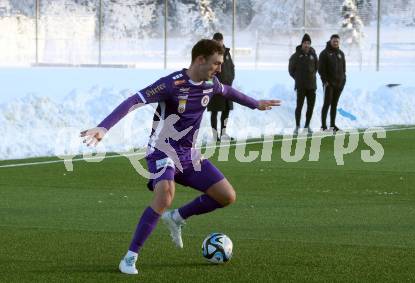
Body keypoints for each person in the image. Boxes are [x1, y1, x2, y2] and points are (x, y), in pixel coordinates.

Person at [80, 39, 280, 275]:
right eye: (216, 63)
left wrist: (256, 104)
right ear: (200, 59)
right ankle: (130, 258)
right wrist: (104, 127)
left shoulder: (211, 84)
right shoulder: (171, 84)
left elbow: (229, 92)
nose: (219, 68)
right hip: (161, 150)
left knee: (227, 196)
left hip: (189, 154)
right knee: (165, 195)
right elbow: (135, 100)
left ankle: (177, 217)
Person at [288, 33, 318, 134]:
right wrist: (298, 78)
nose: (307, 45)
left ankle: (307, 126)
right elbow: (291, 70)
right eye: (305, 43)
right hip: (301, 86)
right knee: (299, 106)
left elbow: (316, 68)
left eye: (308, 43)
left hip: (312, 86)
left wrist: (312, 77)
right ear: (302, 44)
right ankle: (297, 126)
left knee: (310, 106)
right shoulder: (296, 55)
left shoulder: (313, 55)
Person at [207, 32, 235, 141]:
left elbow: (231, 67)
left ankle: (223, 133)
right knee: (214, 111)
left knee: (226, 110)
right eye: (217, 41)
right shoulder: (210, 53)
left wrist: (231, 79)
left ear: (223, 41)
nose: (219, 43)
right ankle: (215, 136)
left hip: (227, 87)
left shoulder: (226, 52)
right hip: (215, 87)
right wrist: (210, 85)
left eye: (220, 41)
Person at [318, 34, 346, 133]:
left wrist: (343, 80)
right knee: (327, 104)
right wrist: (325, 81)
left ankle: (333, 126)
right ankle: (323, 126)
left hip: (339, 84)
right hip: (329, 84)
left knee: (334, 105)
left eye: (337, 41)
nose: (335, 43)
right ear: (330, 41)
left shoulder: (341, 54)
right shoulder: (324, 53)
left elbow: (344, 69)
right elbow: (320, 69)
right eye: (334, 41)